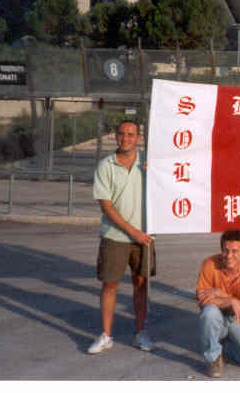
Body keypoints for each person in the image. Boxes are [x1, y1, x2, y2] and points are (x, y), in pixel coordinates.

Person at [88, 119, 155, 354]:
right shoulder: (105, 165)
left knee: (141, 285)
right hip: (115, 236)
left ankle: (140, 332)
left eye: (131, 134)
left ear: (138, 137)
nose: (126, 138)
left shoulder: (149, 161)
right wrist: (131, 231)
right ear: (115, 136)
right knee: (110, 285)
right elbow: (106, 206)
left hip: (145, 235)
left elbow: (170, 182)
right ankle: (106, 335)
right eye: (122, 134)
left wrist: (155, 172)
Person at [196, 228, 240, 377]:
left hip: (239, 318)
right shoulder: (209, 264)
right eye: (225, 250)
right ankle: (213, 357)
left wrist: (218, 293)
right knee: (209, 313)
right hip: (216, 317)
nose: (229, 256)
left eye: (235, 251)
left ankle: (224, 347)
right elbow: (203, 300)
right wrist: (231, 300)